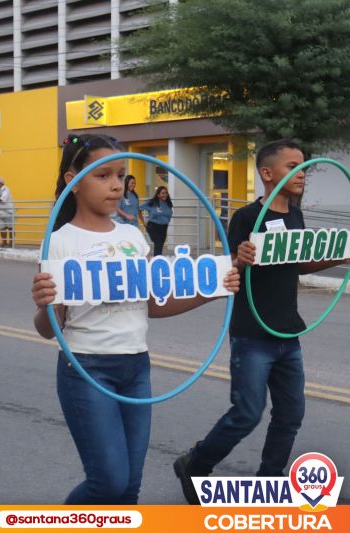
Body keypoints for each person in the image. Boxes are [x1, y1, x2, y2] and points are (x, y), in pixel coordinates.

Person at [30, 133, 240, 505]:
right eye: (103, 175)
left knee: (129, 489)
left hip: (136, 367)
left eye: (120, 175)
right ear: (73, 181)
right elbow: (49, 329)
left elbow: (153, 304)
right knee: (108, 483)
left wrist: (213, 289)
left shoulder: (133, 236)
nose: (116, 185)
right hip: (87, 369)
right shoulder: (60, 242)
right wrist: (45, 304)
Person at [173, 139, 350, 504]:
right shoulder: (246, 217)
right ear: (267, 173)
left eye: (304, 166)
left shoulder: (295, 216)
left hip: (288, 332)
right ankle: (196, 463)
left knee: (291, 414)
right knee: (247, 412)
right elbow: (229, 269)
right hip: (252, 334)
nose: (302, 173)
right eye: (293, 166)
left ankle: (270, 481)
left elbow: (298, 264)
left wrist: (341, 257)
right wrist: (240, 259)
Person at [140, 185, 172, 256]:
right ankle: (157, 260)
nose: (165, 195)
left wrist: (166, 221)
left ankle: (157, 259)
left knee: (160, 245)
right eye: (162, 193)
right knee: (158, 243)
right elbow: (138, 208)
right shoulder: (151, 202)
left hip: (164, 227)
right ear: (158, 195)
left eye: (166, 193)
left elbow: (169, 214)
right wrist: (143, 222)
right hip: (153, 226)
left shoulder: (168, 204)